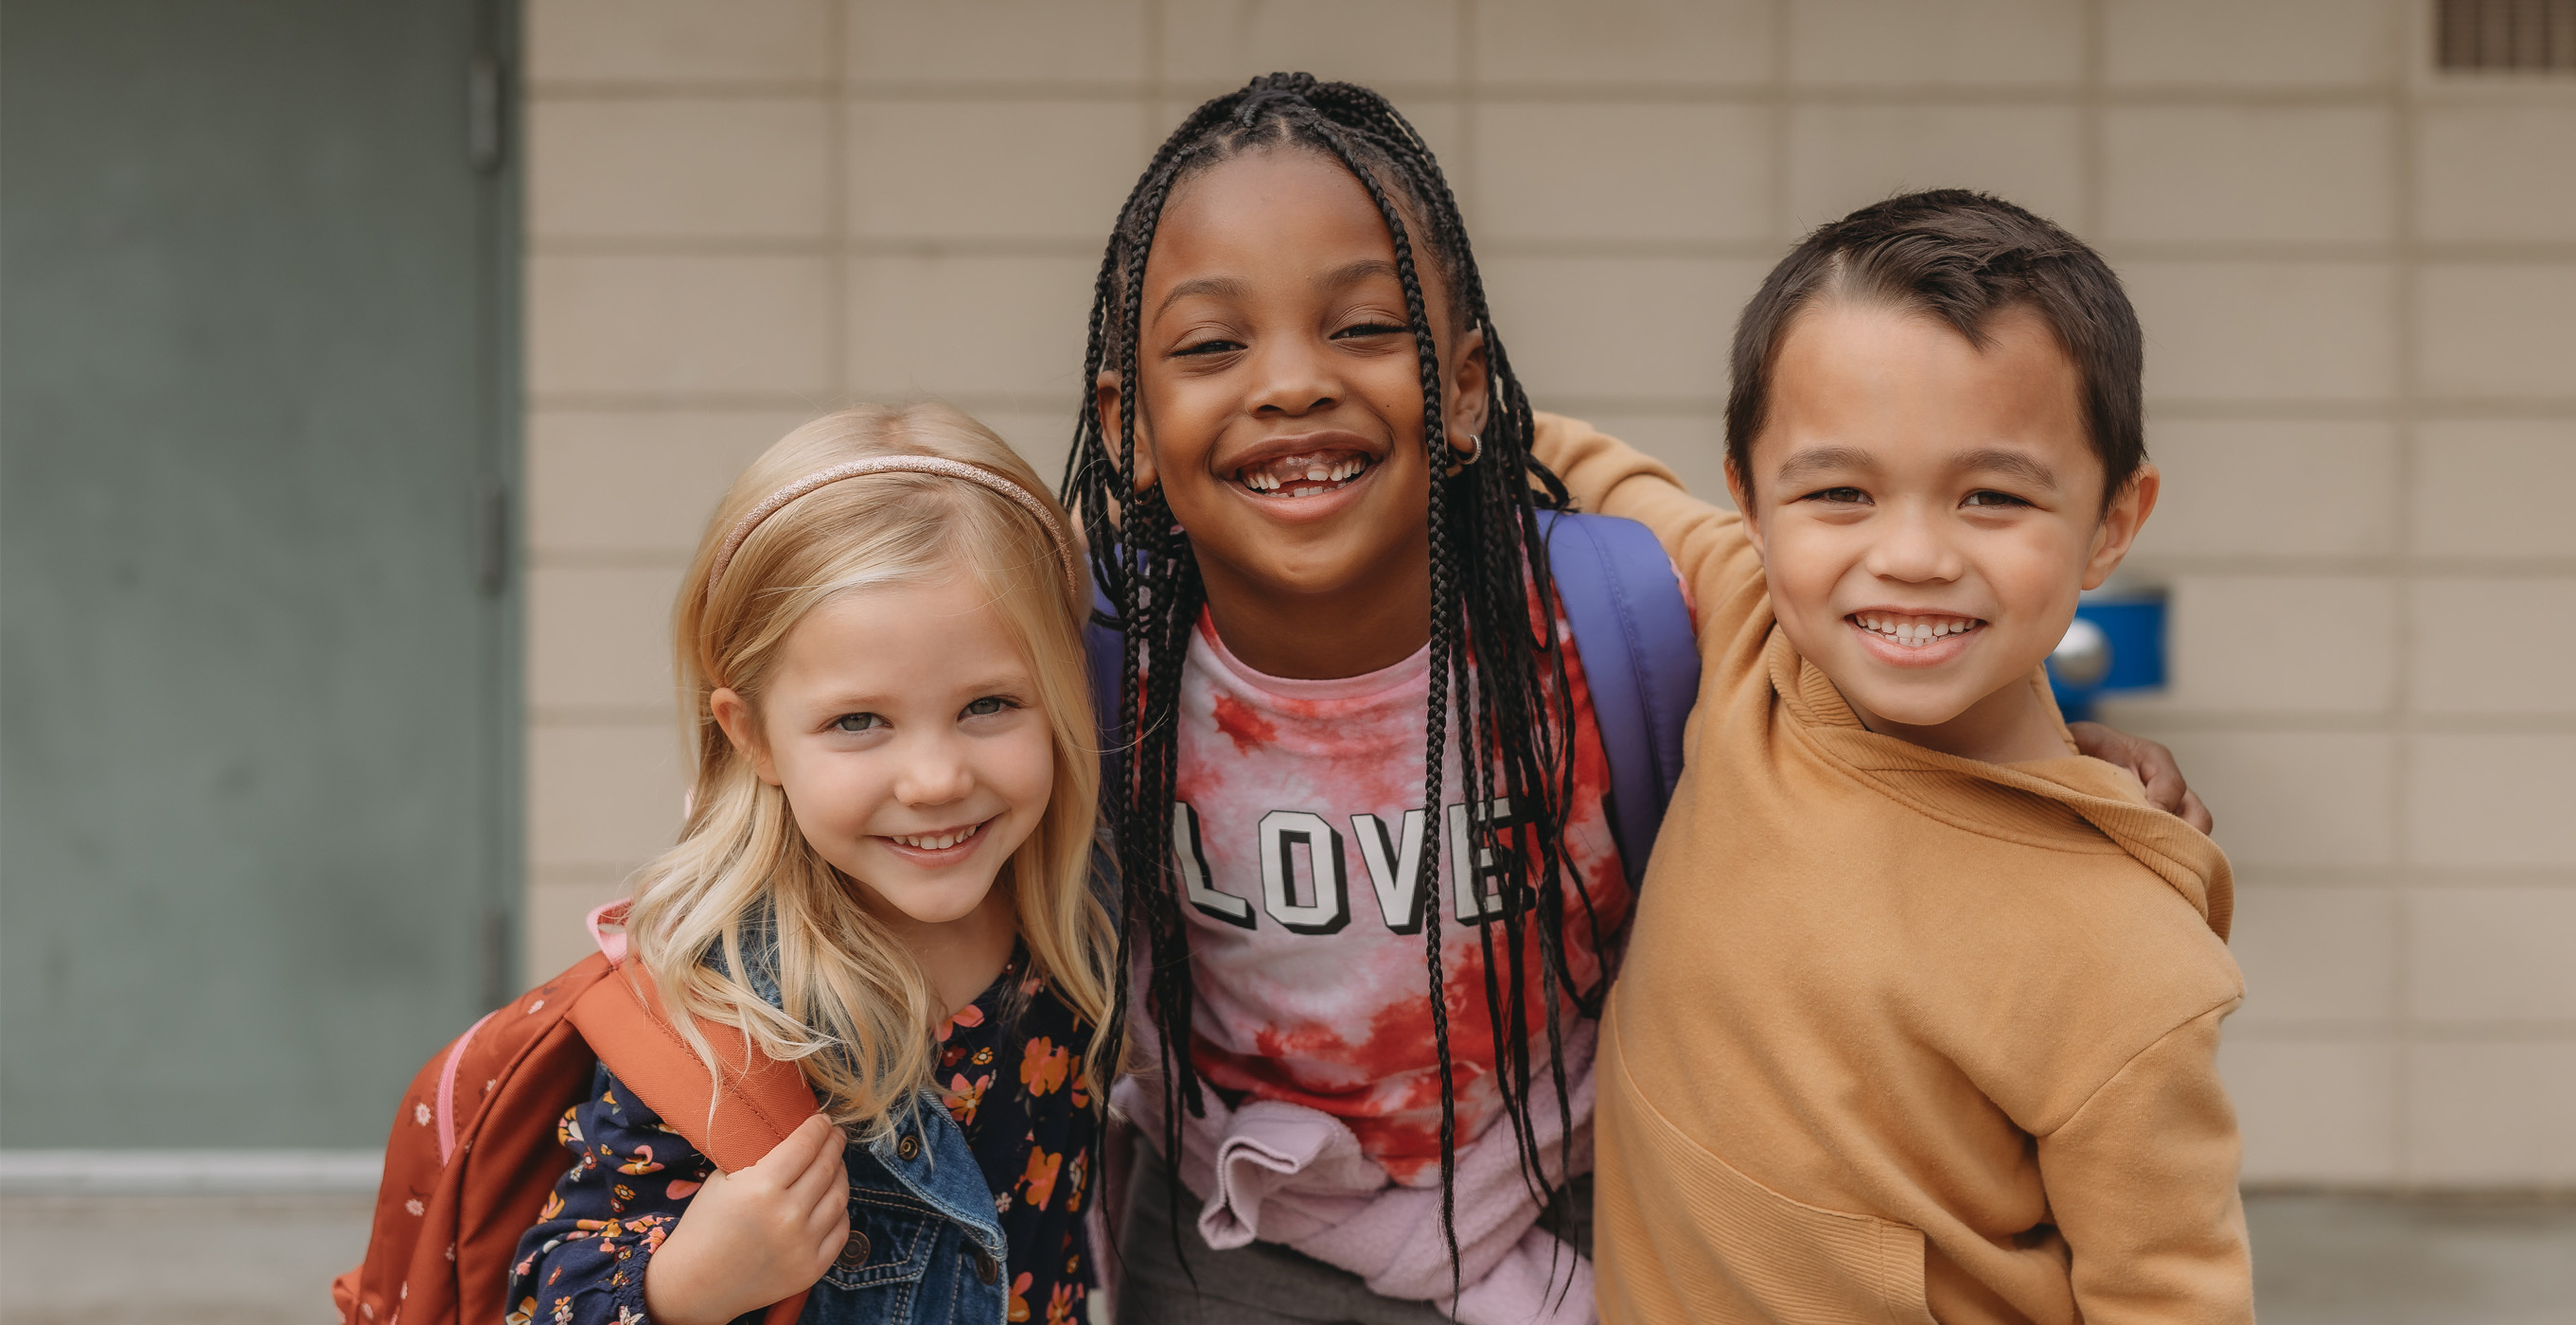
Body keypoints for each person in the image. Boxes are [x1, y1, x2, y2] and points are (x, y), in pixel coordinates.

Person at [1064, 75, 2211, 1325]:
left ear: (1460, 390)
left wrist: (2042, 766)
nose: (1289, 384)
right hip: (1230, 1233)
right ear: (1127, 422)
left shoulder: (1634, 614)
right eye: (1214, 345)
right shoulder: (1084, 655)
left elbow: (1897, 603)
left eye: (1363, 330)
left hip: (1576, 1221)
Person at [1538, 190, 2250, 1323]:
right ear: (1750, 499)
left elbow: (2171, 1296)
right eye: (1839, 492)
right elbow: (1578, 465)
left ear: (2114, 521)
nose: (1910, 554)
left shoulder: (2123, 953)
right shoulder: (1749, 637)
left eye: (1992, 495)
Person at [507, 405, 1118, 1325]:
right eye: (859, 721)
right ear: (752, 735)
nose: (937, 778)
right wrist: (685, 1285)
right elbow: (552, 1292)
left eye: (989, 703)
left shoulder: (1078, 923)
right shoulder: (719, 1007)